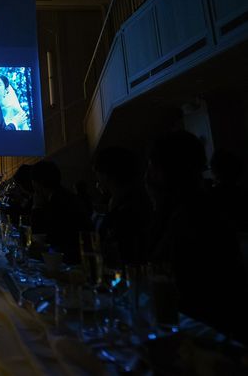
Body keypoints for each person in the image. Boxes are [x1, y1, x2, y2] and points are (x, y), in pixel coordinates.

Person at [147, 130, 248, 341]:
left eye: (153, 167)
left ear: (164, 171)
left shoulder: (189, 216)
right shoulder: (204, 207)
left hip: (199, 333)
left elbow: (170, 275)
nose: (149, 175)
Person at [92, 146, 151, 265]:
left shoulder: (126, 209)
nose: (97, 179)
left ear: (105, 174)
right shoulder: (131, 200)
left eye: (97, 173)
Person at [30, 160, 92, 263]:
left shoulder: (56, 203)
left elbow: (40, 238)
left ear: (37, 183)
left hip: (68, 260)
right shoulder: (66, 196)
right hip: (78, 256)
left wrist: (36, 208)